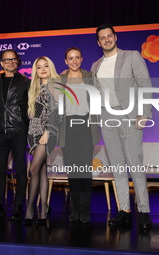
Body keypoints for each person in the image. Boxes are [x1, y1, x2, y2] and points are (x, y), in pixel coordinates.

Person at [91, 24, 153, 229]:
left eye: (109, 36)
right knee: (117, 165)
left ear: (115, 37)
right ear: (98, 42)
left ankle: (143, 211)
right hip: (107, 117)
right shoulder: (95, 66)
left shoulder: (132, 56)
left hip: (129, 116)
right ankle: (125, 210)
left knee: (134, 163)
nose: (106, 39)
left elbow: (145, 83)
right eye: (102, 37)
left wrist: (144, 112)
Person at [0, 49, 30, 220]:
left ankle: (18, 206)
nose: (10, 62)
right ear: (1, 63)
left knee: (20, 169)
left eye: (13, 59)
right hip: (0, 131)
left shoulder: (26, 82)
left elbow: (32, 107)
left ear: (18, 62)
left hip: (19, 130)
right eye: (6, 60)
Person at [58, 47, 101, 223]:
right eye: (70, 58)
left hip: (86, 124)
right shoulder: (60, 78)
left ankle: (86, 209)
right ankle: (75, 209)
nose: (74, 61)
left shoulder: (90, 76)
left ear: (81, 59)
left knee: (84, 168)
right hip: (66, 126)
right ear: (66, 61)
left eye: (77, 57)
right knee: (73, 169)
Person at [23, 56, 62, 225]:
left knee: (33, 169)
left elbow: (56, 112)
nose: (43, 69)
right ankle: (44, 208)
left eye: (46, 66)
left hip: (47, 132)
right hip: (33, 132)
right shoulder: (35, 88)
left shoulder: (55, 86)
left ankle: (30, 209)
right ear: (36, 71)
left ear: (50, 67)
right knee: (41, 171)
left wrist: (48, 131)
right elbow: (33, 114)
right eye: (39, 67)